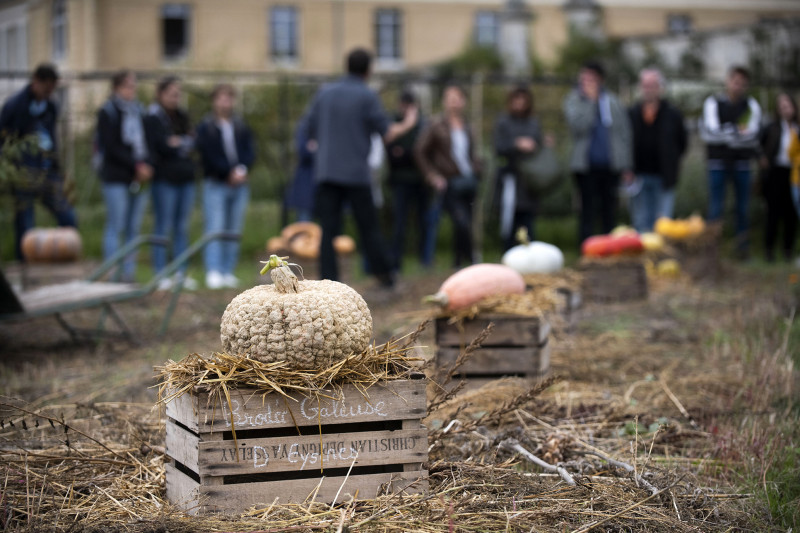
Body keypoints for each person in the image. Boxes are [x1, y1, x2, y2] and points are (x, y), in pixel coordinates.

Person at [305, 48, 418, 285]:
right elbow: (387, 133)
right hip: (356, 174)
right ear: (368, 70)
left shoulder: (324, 94)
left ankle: (329, 281)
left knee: (328, 230)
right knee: (369, 228)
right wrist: (408, 123)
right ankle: (386, 277)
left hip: (327, 172)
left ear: (346, 66)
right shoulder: (366, 96)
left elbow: (308, 127)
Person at [0, 63, 76, 261]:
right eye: (46, 88)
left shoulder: (51, 106)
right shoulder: (15, 105)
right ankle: (25, 264)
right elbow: (5, 140)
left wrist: (56, 167)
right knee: (25, 224)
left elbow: (52, 139)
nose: (48, 93)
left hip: (48, 172)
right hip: (23, 174)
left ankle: (65, 259)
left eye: (52, 89)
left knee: (67, 217)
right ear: (36, 82)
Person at [563, 61, 633, 244]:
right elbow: (578, 127)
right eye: (584, 78)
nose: (586, 82)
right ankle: (586, 249)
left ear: (600, 80)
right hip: (586, 166)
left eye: (591, 78)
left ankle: (609, 249)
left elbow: (624, 134)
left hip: (611, 166)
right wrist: (591, 103)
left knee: (609, 210)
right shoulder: (574, 101)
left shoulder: (613, 101)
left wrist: (626, 165)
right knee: (587, 211)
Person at [195, 83, 255, 289]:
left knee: (234, 228)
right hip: (216, 183)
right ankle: (213, 270)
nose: (225, 102)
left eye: (228, 98)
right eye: (221, 98)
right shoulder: (206, 127)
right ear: (214, 101)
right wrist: (226, 173)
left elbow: (249, 151)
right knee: (215, 227)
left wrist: (242, 169)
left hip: (239, 184)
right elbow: (207, 156)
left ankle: (228, 270)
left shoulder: (239, 125)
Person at [415, 84, 482, 268]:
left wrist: (477, 166)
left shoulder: (468, 126)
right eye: (450, 98)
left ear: (463, 101)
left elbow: (470, 154)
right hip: (449, 182)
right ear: (445, 101)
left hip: (468, 180)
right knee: (461, 221)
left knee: (467, 221)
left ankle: (459, 262)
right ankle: (472, 261)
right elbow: (420, 150)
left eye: (458, 97)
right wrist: (432, 175)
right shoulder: (436, 124)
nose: (454, 102)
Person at [699, 65, 762, 259]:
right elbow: (710, 133)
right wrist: (736, 134)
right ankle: (711, 252)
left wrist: (726, 133)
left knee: (742, 208)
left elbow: (752, 136)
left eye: (742, 83)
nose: (738, 86)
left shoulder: (751, 106)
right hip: (717, 163)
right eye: (735, 81)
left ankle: (742, 249)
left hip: (742, 164)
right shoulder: (713, 103)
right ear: (728, 81)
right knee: (716, 208)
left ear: (746, 85)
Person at [96, 70, 153, 282]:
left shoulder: (138, 111)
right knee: (116, 225)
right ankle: (112, 273)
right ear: (116, 88)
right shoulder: (108, 112)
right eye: (128, 86)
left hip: (138, 177)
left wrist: (146, 166)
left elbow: (146, 142)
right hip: (116, 177)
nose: (132, 90)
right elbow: (110, 147)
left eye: (133, 85)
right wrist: (136, 165)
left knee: (133, 228)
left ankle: (128, 273)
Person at [145, 76, 197, 289]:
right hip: (164, 180)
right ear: (160, 94)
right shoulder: (152, 118)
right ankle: (160, 273)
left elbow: (192, 141)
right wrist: (176, 143)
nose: (176, 98)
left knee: (181, 227)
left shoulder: (181, 116)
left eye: (178, 94)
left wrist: (177, 143)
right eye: (171, 94)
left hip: (185, 178)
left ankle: (180, 273)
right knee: (163, 226)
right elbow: (161, 146)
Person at [627, 68, 688, 232]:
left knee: (663, 223)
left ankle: (661, 257)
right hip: (638, 176)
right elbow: (625, 143)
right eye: (645, 85)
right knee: (640, 221)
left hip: (664, 177)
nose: (649, 89)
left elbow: (682, 143)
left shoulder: (673, 114)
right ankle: (641, 257)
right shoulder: (632, 113)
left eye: (652, 85)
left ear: (660, 87)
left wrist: (672, 163)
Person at [493, 85, 543, 251]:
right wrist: (516, 144)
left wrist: (537, 145)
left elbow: (540, 145)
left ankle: (530, 256)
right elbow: (498, 147)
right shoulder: (503, 121)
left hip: (530, 180)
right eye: (517, 99)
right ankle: (508, 254)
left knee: (528, 221)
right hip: (510, 178)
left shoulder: (533, 122)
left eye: (523, 99)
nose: (520, 103)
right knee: (509, 220)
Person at [385, 89, 427, 269]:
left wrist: (406, 153)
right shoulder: (394, 122)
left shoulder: (423, 125)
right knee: (399, 223)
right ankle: (396, 262)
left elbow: (422, 152)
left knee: (423, 222)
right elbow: (392, 153)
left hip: (420, 180)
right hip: (400, 180)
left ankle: (425, 260)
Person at [759, 92, 799, 262]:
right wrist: (762, 159)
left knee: (791, 213)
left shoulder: (797, 127)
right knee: (773, 212)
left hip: (795, 174)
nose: (785, 109)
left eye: (787, 105)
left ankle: (788, 249)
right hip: (776, 172)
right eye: (781, 106)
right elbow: (758, 145)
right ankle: (769, 250)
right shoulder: (772, 127)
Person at [285, 114, 316, 222]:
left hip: (327, 188)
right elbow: (303, 151)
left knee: (330, 232)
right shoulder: (305, 125)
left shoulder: (331, 124)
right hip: (306, 187)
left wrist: (315, 146)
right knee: (303, 229)